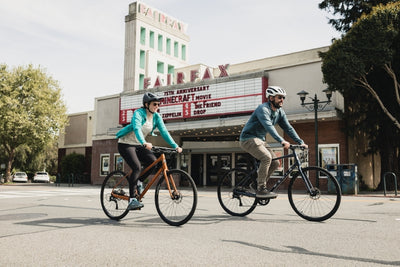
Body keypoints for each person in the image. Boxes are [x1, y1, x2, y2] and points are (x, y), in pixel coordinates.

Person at [116, 92, 183, 210]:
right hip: (126, 144)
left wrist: (175, 146)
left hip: (139, 144)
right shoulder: (138, 113)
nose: (157, 106)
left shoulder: (157, 117)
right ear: (146, 104)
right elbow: (136, 128)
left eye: (158, 104)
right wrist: (144, 142)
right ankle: (132, 200)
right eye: (155, 104)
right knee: (137, 167)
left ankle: (139, 182)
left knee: (153, 162)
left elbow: (164, 132)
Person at [239, 86, 308, 199]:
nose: (282, 100)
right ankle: (261, 188)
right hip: (248, 139)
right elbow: (269, 126)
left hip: (260, 140)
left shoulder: (280, 112)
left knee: (275, 163)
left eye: (283, 98)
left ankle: (256, 184)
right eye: (279, 97)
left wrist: (300, 142)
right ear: (271, 98)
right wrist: (281, 140)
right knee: (266, 158)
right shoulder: (263, 109)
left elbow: (288, 128)